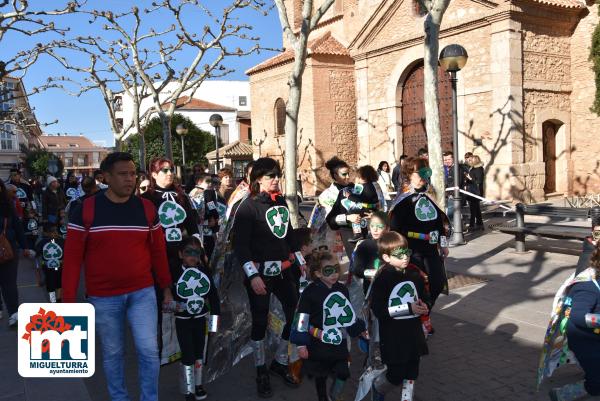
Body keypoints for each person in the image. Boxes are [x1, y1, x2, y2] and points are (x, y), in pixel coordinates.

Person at [62, 152, 173, 401]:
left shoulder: (146, 209)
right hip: (103, 297)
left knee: (149, 351)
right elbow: (71, 259)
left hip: (142, 293)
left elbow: (158, 251)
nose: (130, 179)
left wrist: (166, 286)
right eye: (123, 174)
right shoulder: (86, 210)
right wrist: (68, 302)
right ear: (106, 178)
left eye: (133, 173)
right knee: (113, 354)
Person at [232, 157, 304, 396]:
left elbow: (289, 235)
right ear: (258, 179)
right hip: (260, 274)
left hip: (284, 271)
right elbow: (240, 246)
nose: (275, 179)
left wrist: (301, 262)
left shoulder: (280, 200)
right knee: (260, 322)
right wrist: (253, 276)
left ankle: (280, 361)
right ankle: (261, 369)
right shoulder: (247, 206)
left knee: (296, 314)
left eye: (277, 175)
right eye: (270, 176)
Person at [290, 250, 367, 401]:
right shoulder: (309, 292)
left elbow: (347, 314)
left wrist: (359, 329)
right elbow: (301, 319)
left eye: (336, 269)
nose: (334, 274)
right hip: (318, 342)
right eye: (328, 271)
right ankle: (323, 397)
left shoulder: (342, 289)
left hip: (338, 340)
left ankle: (335, 394)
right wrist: (301, 344)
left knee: (343, 372)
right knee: (321, 374)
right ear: (318, 273)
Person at [388, 157, 449, 334]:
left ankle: (425, 313)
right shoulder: (403, 200)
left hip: (431, 250)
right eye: (418, 172)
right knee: (419, 285)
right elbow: (395, 228)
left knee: (437, 283)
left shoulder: (431, 195)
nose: (423, 176)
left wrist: (443, 244)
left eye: (425, 172)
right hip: (411, 251)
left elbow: (440, 223)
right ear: (408, 174)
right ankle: (420, 321)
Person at [369, 232, 430, 401]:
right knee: (396, 374)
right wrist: (407, 308)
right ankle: (378, 388)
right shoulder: (383, 278)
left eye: (407, 252)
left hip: (413, 333)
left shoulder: (414, 274)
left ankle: (406, 398)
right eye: (399, 255)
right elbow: (379, 310)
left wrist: (425, 306)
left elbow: (424, 298)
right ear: (386, 257)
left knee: (412, 371)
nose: (405, 257)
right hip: (393, 336)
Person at [168, 236, 220, 401]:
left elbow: (214, 297)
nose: (192, 256)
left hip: (200, 319)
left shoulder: (204, 272)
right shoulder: (174, 273)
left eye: (196, 253)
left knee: (199, 352)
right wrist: (175, 305)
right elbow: (166, 297)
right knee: (188, 354)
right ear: (180, 254)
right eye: (188, 252)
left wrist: (214, 324)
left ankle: (198, 385)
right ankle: (188, 390)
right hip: (182, 321)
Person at [0, 180, 33, 327]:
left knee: (9, 283)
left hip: (9, 250)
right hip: (9, 248)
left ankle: (14, 312)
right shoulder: (8, 207)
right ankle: (10, 312)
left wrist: (25, 247)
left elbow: (19, 228)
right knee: (9, 283)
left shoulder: (8, 207)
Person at [351, 211, 389, 294]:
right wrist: (371, 274)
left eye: (379, 226)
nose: (375, 229)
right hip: (372, 290)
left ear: (387, 228)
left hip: (391, 287)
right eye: (372, 226)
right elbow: (357, 269)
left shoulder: (392, 244)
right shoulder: (364, 245)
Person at [343, 165, 381, 243]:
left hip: (369, 208)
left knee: (352, 212)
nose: (357, 179)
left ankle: (358, 233)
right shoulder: (369, 185)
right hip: (368, 207)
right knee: (361, 217)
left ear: (364, 177)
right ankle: (364, 233)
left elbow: (360, 199)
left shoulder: (367, 187)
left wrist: (349, 196)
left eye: (359, 177)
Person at [35, 223, 64, 303]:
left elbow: (67, 254)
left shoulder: (62, 241)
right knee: (50, 286)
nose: (55, 233)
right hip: (48, 268)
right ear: (46, 233)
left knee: (59, 284)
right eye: (52, 231)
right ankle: (53, 300)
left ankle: (58, 300)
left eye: (56, 231)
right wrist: (38, 270)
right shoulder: (43, 242)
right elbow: (36, 254)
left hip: (60, 267)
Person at [442, 151, 464, 223]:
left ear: (453, 159)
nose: (447, 161)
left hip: (454, 195)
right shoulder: (449, 168)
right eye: (445, 160)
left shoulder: (456, 168)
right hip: (451, 195)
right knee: (455, 214)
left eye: (449, 159)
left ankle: (453, 231)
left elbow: (457, 182)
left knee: (451, 215)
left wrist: (450, 193)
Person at [464, 155, 484, 231]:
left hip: (475, 192)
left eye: (470, 160)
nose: (468, 161)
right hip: (472, 191)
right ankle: (480, 224)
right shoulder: (473, 168)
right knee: (476, 209)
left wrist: (469, 178)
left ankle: (472, 225)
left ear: (474, 161)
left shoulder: (478, 169)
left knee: (473, 209)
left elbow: (478, 181)